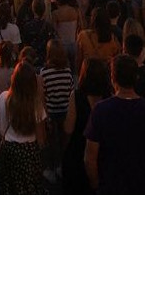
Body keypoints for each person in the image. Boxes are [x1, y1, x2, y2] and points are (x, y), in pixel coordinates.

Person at [84, 54, 145, 194]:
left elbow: (90, 157)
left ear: (112, 78)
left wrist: (96, 184)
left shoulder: (100, 110)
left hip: (112, 186)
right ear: (136, 78)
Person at [0, 61, 46, 194]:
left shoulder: (3, 98)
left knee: (10, 185)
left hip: (9, 149)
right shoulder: (36, 104)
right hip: (29, 151)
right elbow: (41, 138)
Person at [61, 57, 112, 194]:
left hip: (78, 152)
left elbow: (68, 128)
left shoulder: (77, 96)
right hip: (103, 153)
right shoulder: (109, 97)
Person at [38, 40, 74, 183]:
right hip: (65, 110)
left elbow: (42, 96)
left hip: (51, 112)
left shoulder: (44, 73)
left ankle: (51, 169)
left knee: (52, 142)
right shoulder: (67, 71)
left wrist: (45, 115)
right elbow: (71, 91)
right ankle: (63, 167)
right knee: (65, 142)